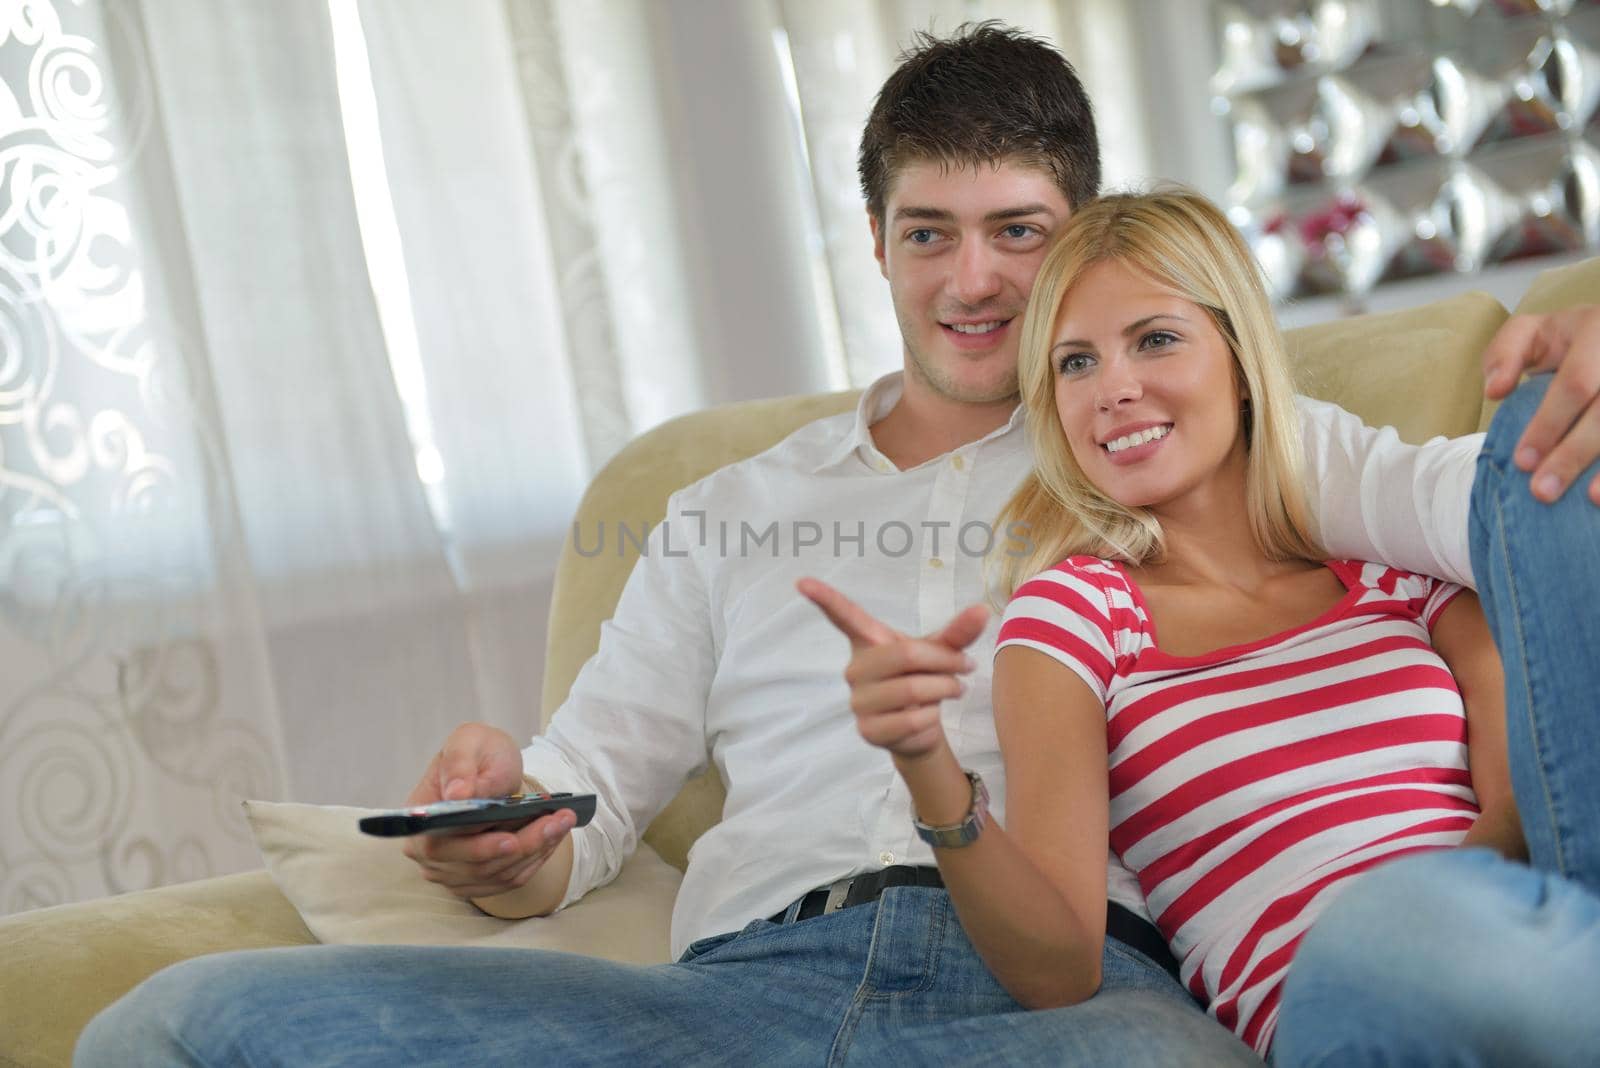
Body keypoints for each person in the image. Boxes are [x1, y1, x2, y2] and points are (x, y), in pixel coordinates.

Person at [77, 23, 1600, 1068]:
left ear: (1080, 239)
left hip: (1071, 1006)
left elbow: (1475, 505)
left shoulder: (1174, 431)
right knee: (175, 1020)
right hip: (743, 994)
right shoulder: (723, 510)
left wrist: (1577, 377)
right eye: (929, 232)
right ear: (875, 247)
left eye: (1019, 231)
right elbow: (587, 806)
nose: (977, 281)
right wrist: (502, 837)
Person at [805, 189, 1599, 1064]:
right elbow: (1058, 968)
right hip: (1341, 1005)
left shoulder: (1405, 579)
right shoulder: (1075, 615)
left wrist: (1439, 906)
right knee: (1382, 938)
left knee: (1544, 431)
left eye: (1154, 339)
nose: (1114, 389)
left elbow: (1534, 802)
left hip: (1527, 939)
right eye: (1074, 364)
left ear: (1238, 353)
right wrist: (929, 770)